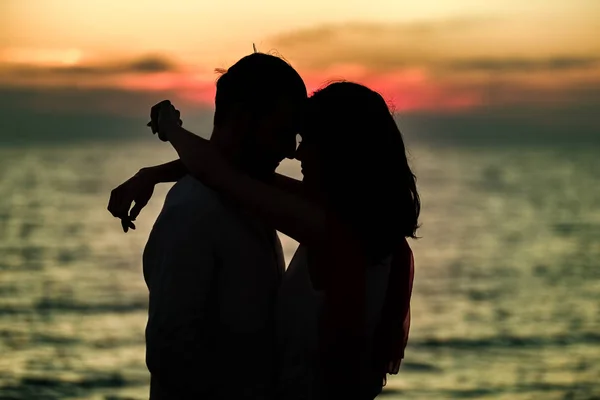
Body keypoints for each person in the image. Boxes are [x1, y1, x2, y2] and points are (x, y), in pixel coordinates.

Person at [119, 79, 419, 399]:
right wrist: (153, 173)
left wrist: (171, 129)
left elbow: (221, 174)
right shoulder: (369, 227)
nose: (296, 151)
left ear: (338, 152)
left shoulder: (334, 231)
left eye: (309, 140)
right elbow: (245, 172)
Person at [108, 52, 307, 399]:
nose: (291, 150)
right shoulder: (193, 213)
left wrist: (157, 164)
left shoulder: (249, 197)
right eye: (281, 132)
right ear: (242, 120)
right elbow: (170, 356)